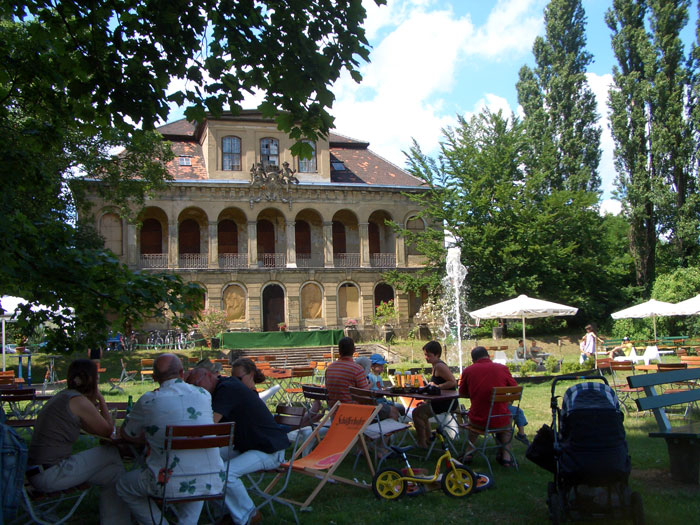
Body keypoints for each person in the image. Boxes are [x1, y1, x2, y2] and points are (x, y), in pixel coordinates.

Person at [117, 354, 224, 525]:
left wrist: (147, 438)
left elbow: (127, 432)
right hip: (211, 477)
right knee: (196, 469)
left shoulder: (149, 400)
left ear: (154, 378)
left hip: (168, 481)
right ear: (182, 373)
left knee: (123, 485)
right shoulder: (204, 394)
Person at [27, 359, 131, 525]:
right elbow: (107, 430)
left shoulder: (64, 397)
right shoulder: (78, 401)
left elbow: (96, 431)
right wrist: (101, 400)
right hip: (50, 474)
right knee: (111, 453)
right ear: (92, 379)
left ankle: (116, 522)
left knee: (114, 474)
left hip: (38, 472)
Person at [186, 365, 290, 525]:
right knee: (205, 463)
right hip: (249, 445)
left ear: (208, 376)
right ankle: (226, 512)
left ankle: (248, 516)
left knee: (224, 474)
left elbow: (209, 425)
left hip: (269, 448)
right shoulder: (220, 388)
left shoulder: (227, 389)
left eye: (196, 384)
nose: (195, 390)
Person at [458, 346, 518, 467]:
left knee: (473, 417)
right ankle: (506, 457)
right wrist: (507, 402)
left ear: (473, 360)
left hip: (478, 420)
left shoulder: (469, 371)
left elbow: (462, 393)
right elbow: (516, 390)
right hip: (500, 418)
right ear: (489, 356)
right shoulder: (502, 368)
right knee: (507, 423)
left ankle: (469, 452)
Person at [411, 341, 457, 448]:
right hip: (442, 401)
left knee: (416, 413)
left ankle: (422, 443)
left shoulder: (440, 366)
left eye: (429, 355)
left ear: (437, 355)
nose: (426, 357)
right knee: (421, 411)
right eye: (425, 355)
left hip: (446, 403)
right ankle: (428, 439)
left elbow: (453, 382)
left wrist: (437, 386)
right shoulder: (435, 365)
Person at [324, 336, 370, 407]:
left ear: (339, 351)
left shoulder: (329, 369)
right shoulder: (357, 369)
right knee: (392, 409)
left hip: (334, 411)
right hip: (353, 411)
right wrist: (370, 385)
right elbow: (365, 395)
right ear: (354, 350)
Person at [366, 353, 403, 420]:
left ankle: (396, 422)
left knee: (399, 407)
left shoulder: (379, 377)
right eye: (380, 366)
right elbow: (370, 390)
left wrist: (389, 389)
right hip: (376, 401)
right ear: (372, 366)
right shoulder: (369, 377)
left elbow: (382, 388)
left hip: (382, 400)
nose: (382, 367)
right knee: (397, 407)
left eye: (383, 365)